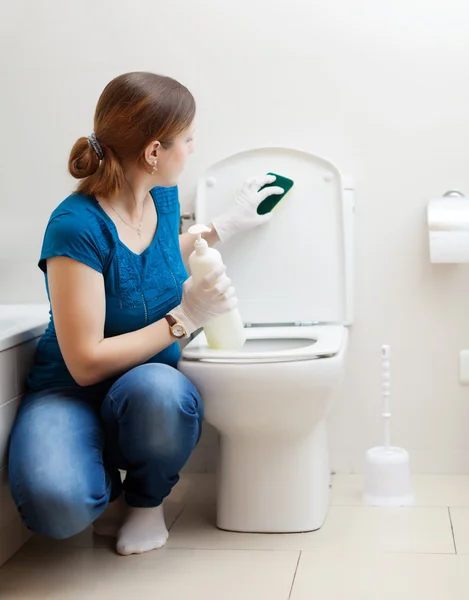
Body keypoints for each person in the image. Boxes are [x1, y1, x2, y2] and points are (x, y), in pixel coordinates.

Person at [7, 72, 283, 556]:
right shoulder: (75, 226)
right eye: (189, 139)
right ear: (155, 152)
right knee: (57, 503)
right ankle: (105, 493)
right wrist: (186, 316)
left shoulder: (160, 196)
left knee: (157, 389)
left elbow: (149, 263)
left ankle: (145, 501)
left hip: (144, 387)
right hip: (69, 391)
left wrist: (225, 225)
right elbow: (86, 362)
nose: (193, 150)